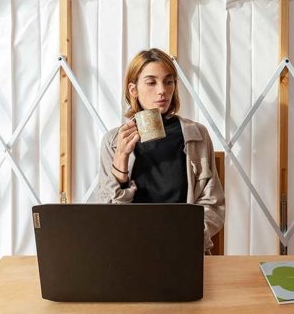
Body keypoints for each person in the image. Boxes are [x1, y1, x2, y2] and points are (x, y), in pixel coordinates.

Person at [96, 48, 225, 253]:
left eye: (168, 81)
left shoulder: (196, 135)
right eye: (151, 82)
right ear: (133, 89)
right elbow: (107, 216)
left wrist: (186, 237)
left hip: (184, 248)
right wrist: (121, 157)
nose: (162, 90)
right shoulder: (113, 141)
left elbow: (213, 203)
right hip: (131, 249)